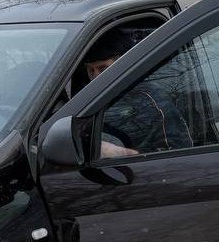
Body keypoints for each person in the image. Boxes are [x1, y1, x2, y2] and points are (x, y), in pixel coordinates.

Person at [81, 28, 192, 158]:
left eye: (103, 68)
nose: (96, 76)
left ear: (123, 64)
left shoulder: (151, 101)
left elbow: (177, 152)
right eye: (90, 70)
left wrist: (121, 154)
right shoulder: (84, 98)